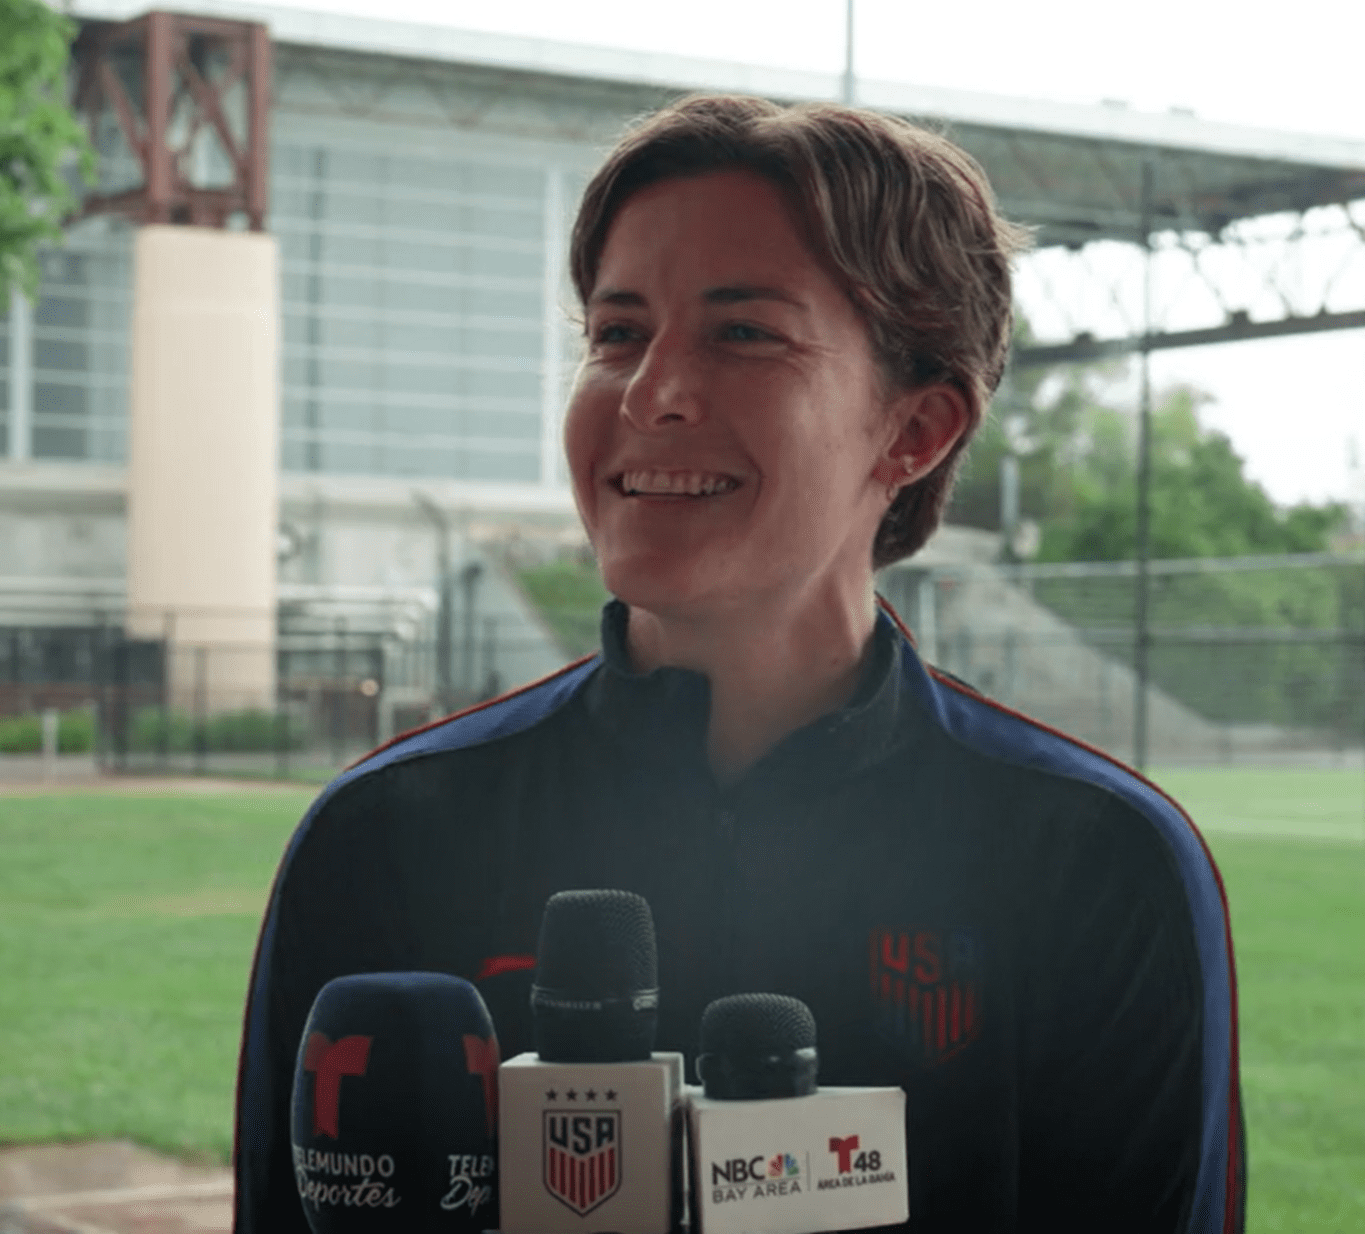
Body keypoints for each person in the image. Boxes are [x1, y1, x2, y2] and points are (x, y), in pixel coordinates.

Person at [234, 94, 1244, 1233]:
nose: (649, 391)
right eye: (617, 333)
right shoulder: (385, 834)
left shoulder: (1097, 863)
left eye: (743, 333)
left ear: (914, 431)